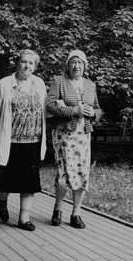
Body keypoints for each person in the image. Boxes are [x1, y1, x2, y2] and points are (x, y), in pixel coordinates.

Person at [0, 49, 47, 231]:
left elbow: (46, 109)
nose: (27, 65)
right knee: (8, 180)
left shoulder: (39, 84)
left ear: (35, 66)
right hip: (10, 142)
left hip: (33, 142)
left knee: (29, 182)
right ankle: (2, 202)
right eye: (23, 61)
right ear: (17, 63)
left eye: (31, 63)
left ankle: (23, 218)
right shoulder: (5, 83)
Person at [46, 49, 101, 229]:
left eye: (80, 62)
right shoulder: (58, 81)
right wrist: (74, 111)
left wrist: (93, 113)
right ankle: (58, 209)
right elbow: (50, 106)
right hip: (64, 133)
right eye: (73, 62)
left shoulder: (90, 85)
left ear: (84, 66)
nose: (76, 65)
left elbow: (97, 109)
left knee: (82, 171)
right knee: (64, 171)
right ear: (68, 65)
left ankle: (76, 213)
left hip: (83, 135)